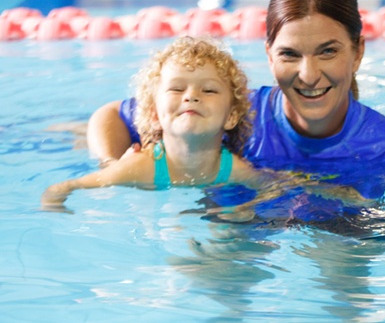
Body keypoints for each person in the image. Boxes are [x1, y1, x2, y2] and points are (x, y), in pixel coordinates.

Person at [85, 0, 385, 204]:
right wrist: (111, 166)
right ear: (269, 55)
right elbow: (111, 114)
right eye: (289, 54)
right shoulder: (228, 111)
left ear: (358, 52)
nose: (308, 75)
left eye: (328, 51)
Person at [42, 36, 263, 208]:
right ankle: (71, 130)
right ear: (155, 115)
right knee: (78, 140)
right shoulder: (141, 167)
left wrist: (249, 208)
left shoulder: (233, 168)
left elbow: (270, 188)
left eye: (209, 90)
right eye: (177, 88)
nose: (191, 96)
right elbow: (65, 187)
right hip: (132, 147)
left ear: (231, 116)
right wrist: (56, 208)